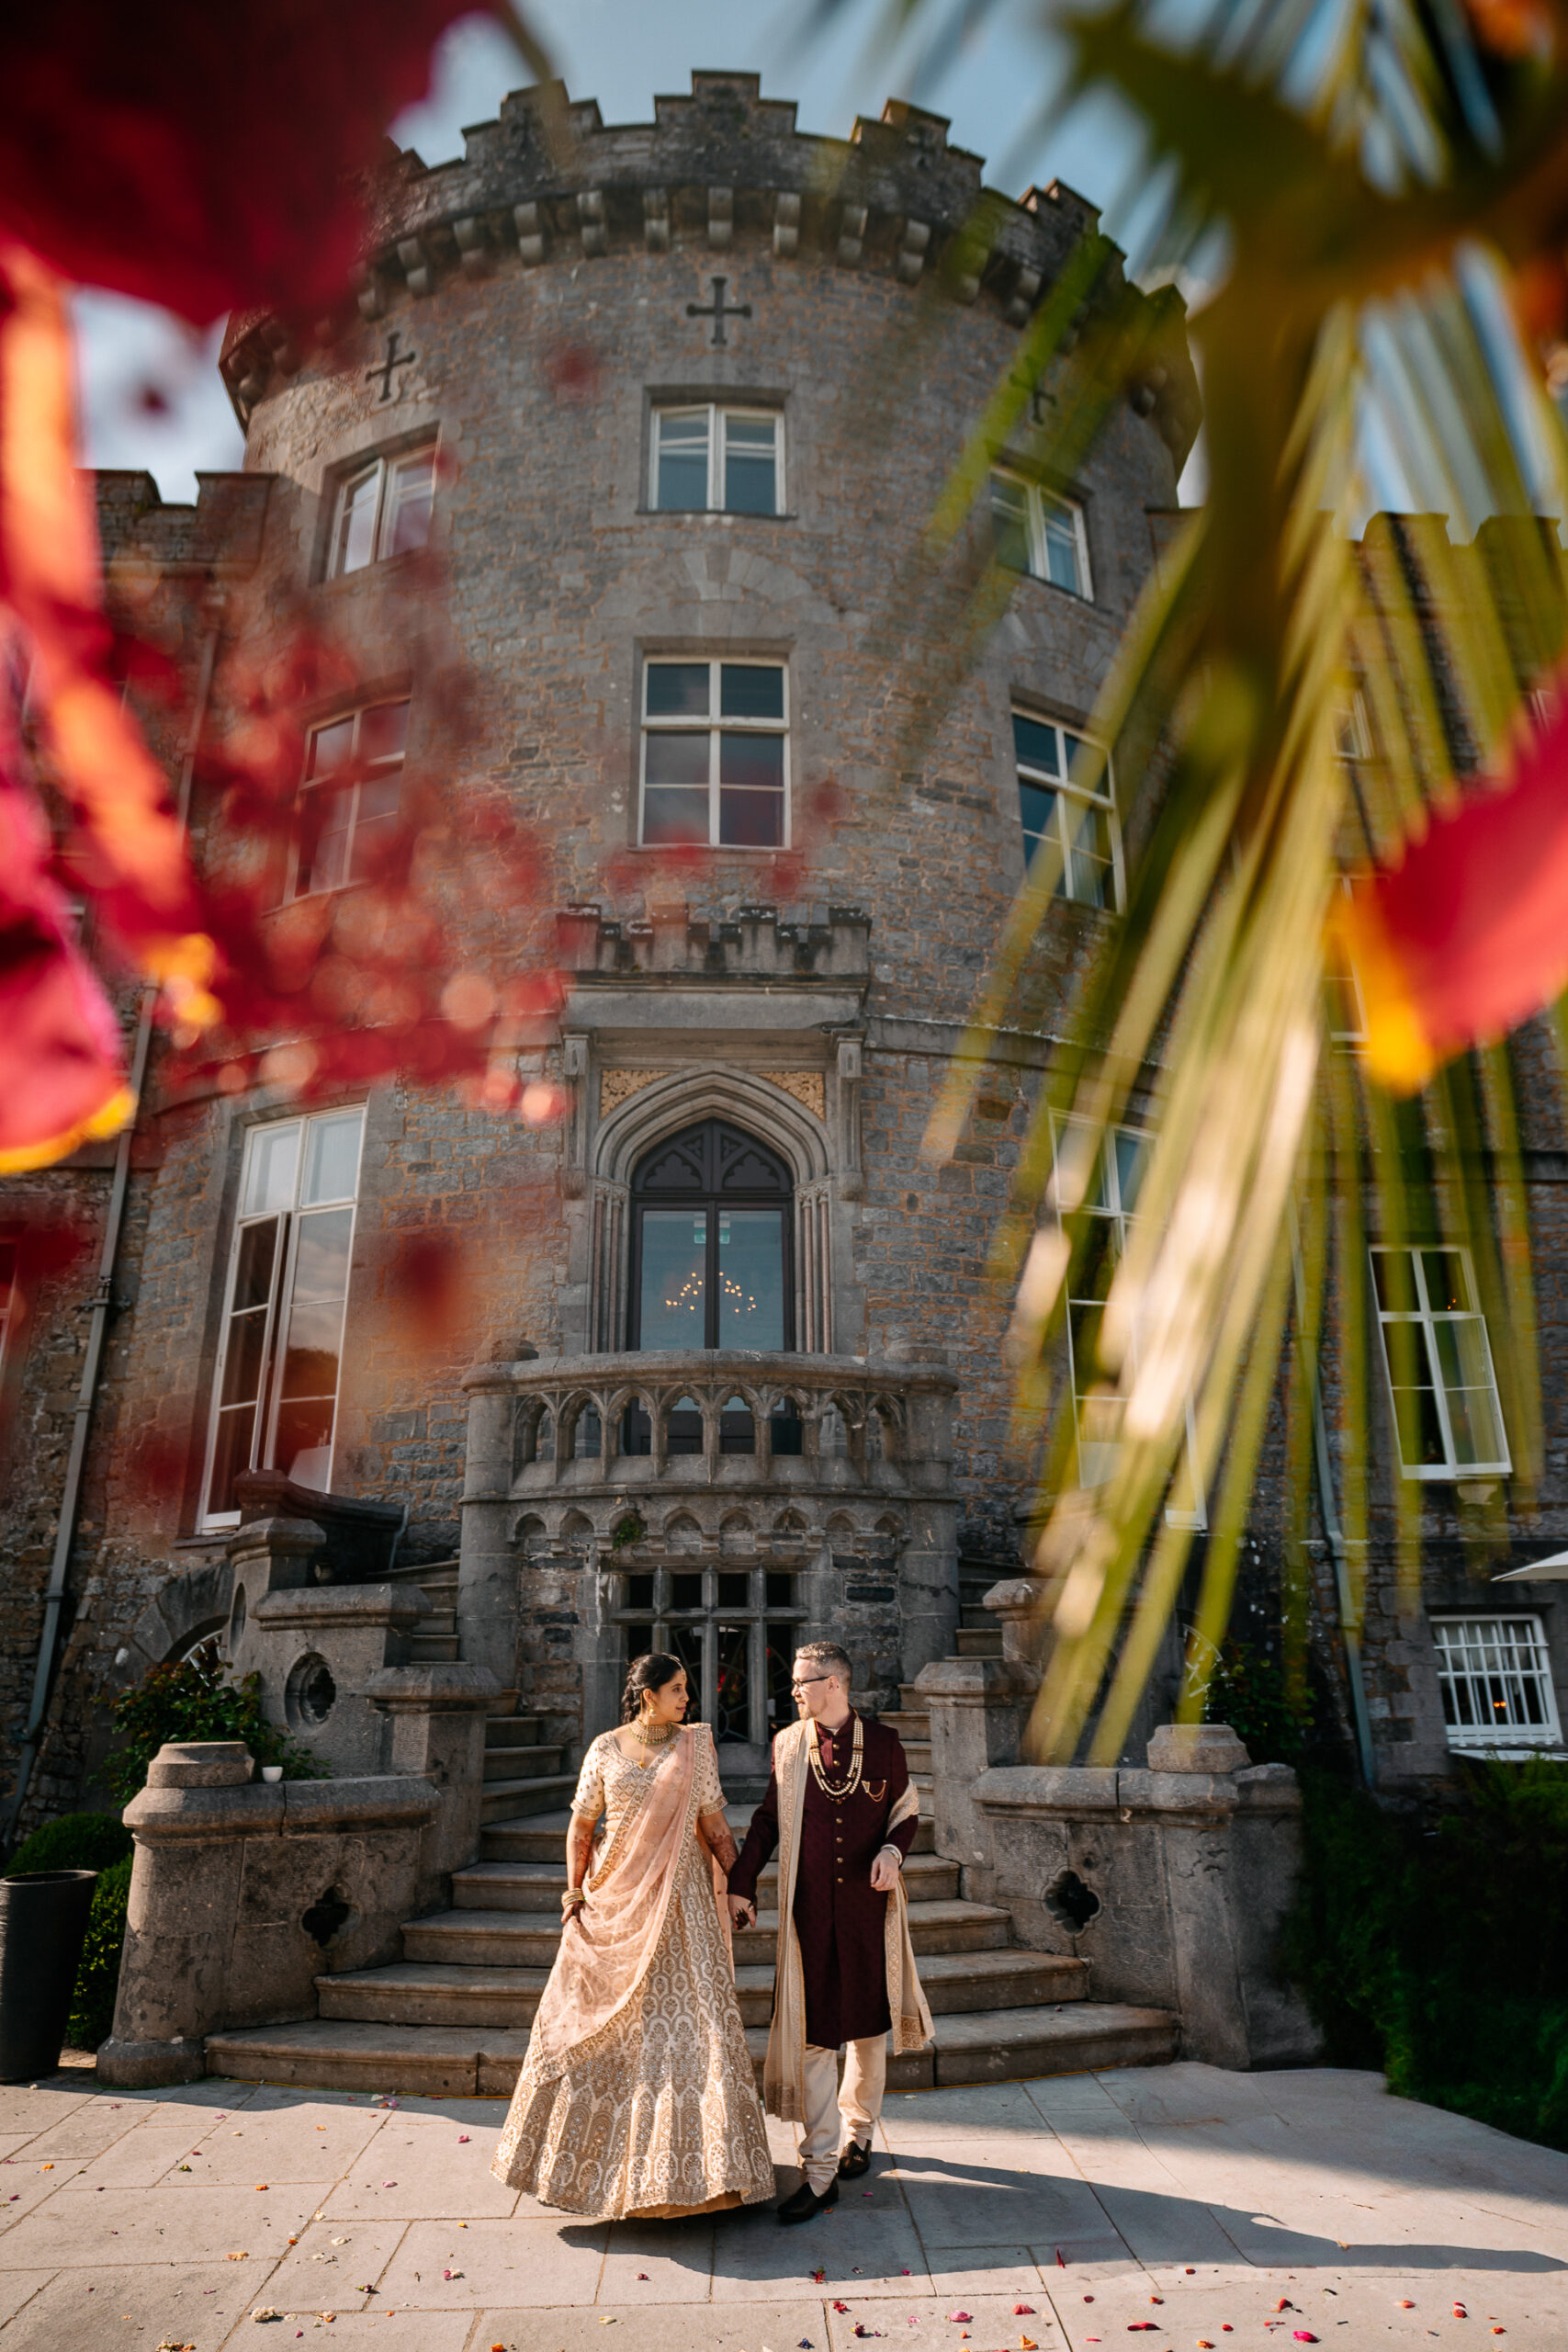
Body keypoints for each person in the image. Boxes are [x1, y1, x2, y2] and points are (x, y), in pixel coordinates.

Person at [491, 1652, 775, 2221]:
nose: (686, 1698)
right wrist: (574, 1893)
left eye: (685, 1690)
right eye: (676, 1689)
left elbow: (715, 1823)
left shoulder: (694, 1748)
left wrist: (741, 1884)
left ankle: (706, 2178)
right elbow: (581, 1825)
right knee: (589, 2027)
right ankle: (594, 2174)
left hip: (683, 1905)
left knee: (695, 2027)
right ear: (648, 1694)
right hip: (613, 1903)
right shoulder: (603, 1748)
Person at [728, 1639, 934, 2223]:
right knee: (816, 2035)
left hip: (870, 1914)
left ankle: (859, 2135)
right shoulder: (788, 1745)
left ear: (835, 1684)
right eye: (794, 1682)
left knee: (868, 2031)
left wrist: (894, 1851)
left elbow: (906, 1808)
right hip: (809, 1915)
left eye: (803, 1682)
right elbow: (768, 1819)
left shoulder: (887, 1744)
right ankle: (819, 2170)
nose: (793, 1691)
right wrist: (741, 1882)